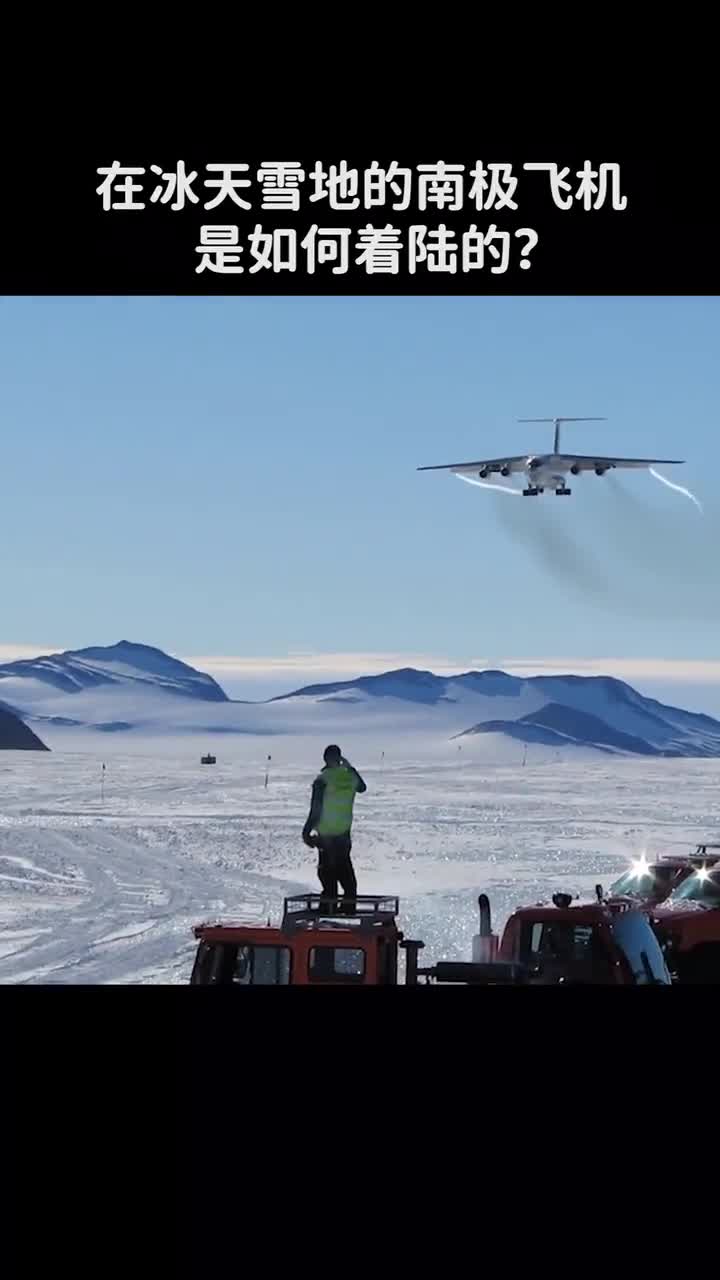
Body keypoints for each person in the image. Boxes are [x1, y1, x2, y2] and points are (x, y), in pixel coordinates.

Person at [302, 745, 367, 906]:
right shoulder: (350, 778)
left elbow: (315, 808)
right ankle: (349, 907)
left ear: (325, 759)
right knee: (345, 869)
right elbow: (362, 788)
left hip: (325, 835)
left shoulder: (322, 779)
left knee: (327, 873)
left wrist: (307, 831)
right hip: (344, 834)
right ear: (339, 758)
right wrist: (349, 767)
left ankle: (327, 909)